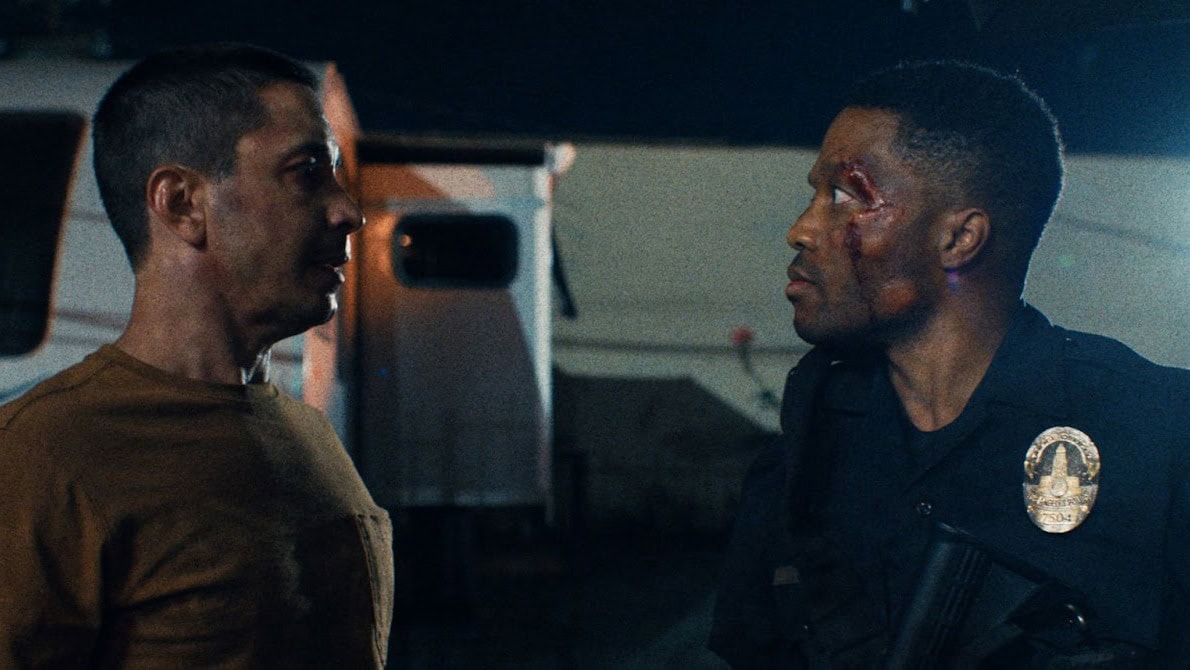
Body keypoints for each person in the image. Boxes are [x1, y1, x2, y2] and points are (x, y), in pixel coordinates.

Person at [708, 60, 1190, 668]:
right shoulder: (803, 461)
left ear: (959, 239)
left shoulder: (1158, 439)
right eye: (815, 196)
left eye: (845, 197)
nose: (802, 230)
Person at [0, 44, 393, 667]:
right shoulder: (42, 457)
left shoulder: (305, 433)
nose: (348, 211)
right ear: (182, 203)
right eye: (306, 171)